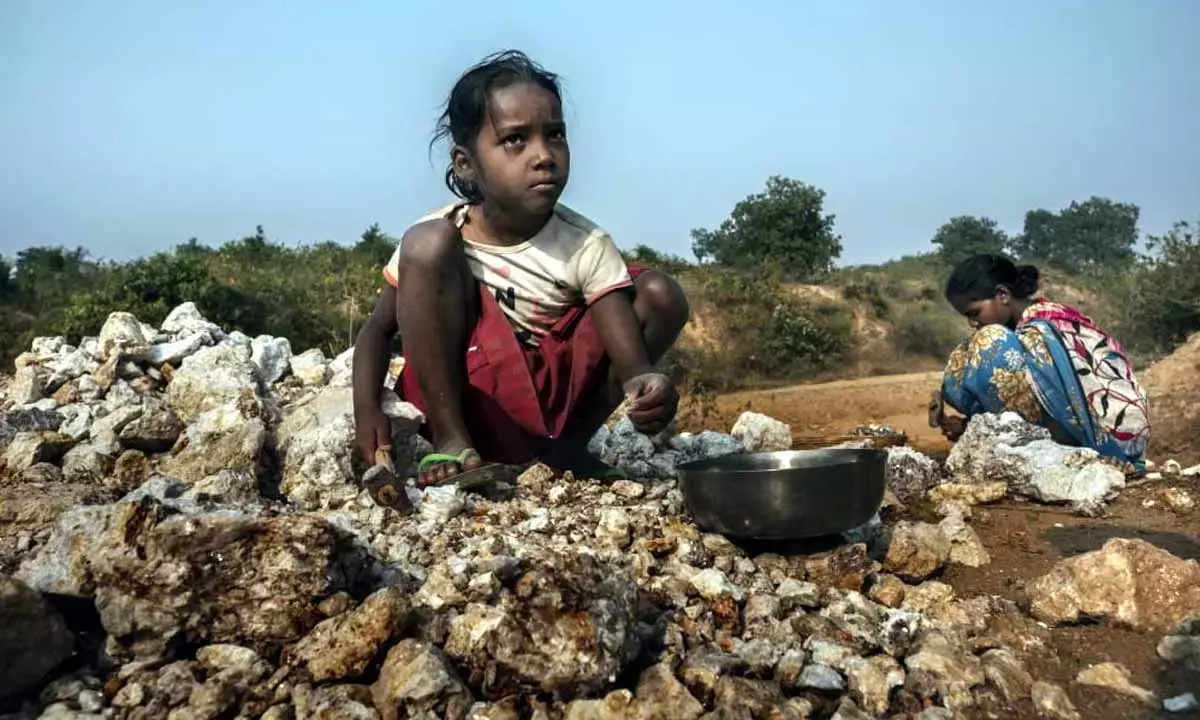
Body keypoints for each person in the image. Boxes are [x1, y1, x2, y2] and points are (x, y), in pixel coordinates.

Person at [352, 50, 689, 491]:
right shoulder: (440, 237)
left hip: (545, 414)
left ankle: (566, 450)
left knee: (659, 292)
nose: (543, 156)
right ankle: (453, 443)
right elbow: (377, 330)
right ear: (465, 164)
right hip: (462, 399)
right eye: (515, 140)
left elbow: (629, 357)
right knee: (427, 243)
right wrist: (367, 410)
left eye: (555, 135)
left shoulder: (583, 244)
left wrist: (647, 385)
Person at [930, 253, 1150, 475]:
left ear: (1002, 294)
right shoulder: (1023, 327)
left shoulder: (1045, 325)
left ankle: (1055, 452)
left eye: (975, 313)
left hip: (1112, 438)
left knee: (990, 344)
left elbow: (1071, 396)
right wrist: (970, 425)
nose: (972, 322)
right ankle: (1014, 438)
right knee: (964, 355)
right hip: (1073, 425)